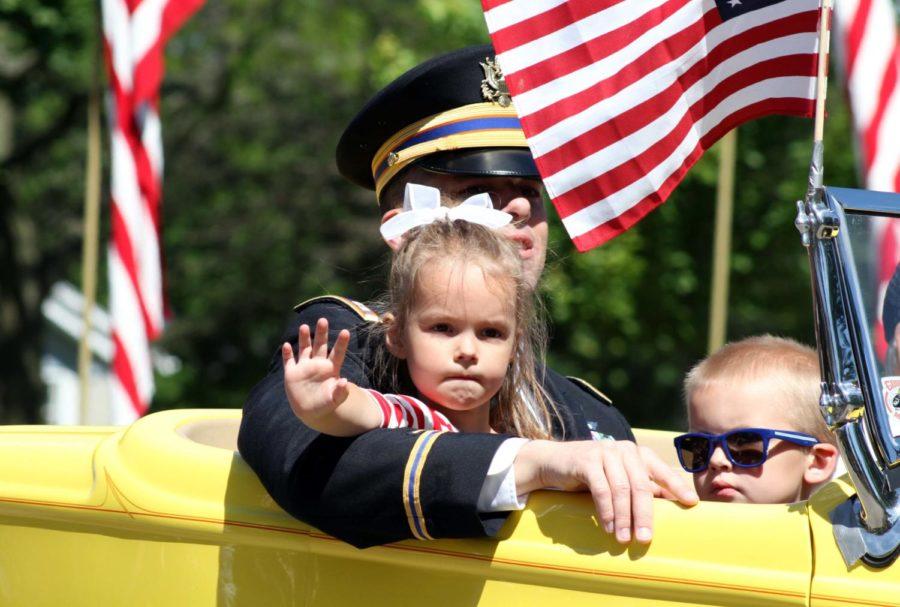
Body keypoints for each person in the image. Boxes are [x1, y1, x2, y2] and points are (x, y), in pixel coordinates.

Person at [239, 44, 697, 549]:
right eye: (484, 188)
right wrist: (531, 462)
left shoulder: (589, 411)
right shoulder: (344, 343)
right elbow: (304, 464)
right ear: (404, 225)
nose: (521, 205)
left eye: (531, 189)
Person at [284, 214, 556, 441]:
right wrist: (321, 404)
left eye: (491, 333)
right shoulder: (413, 418)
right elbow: (362, 408)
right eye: (443, 328)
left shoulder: (526, 443)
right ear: (398, 336)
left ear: (514, 345)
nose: (468, 350)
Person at [675, 335, 839, 503]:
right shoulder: (664, 521)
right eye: (699, 446)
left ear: (817, 462)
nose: (715, 460)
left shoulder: (846, 527)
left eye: (743, 444)